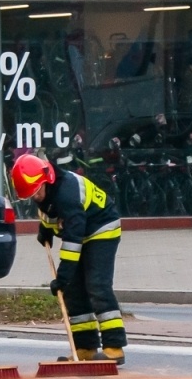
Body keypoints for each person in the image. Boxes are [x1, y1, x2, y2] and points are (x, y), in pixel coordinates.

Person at [10, 153, 127, 365]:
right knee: (73, 291)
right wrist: (45, 229)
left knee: (97, 285)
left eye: (36, 191)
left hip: (101, 229)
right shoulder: (46, 190)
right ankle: (85, 347)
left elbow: (73, 240)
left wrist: (63, 276)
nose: (34, 197)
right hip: (80, 231)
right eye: (30, 194)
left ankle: (114, 347)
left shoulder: (67, 193)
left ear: (46, 180)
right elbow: (49, 211)